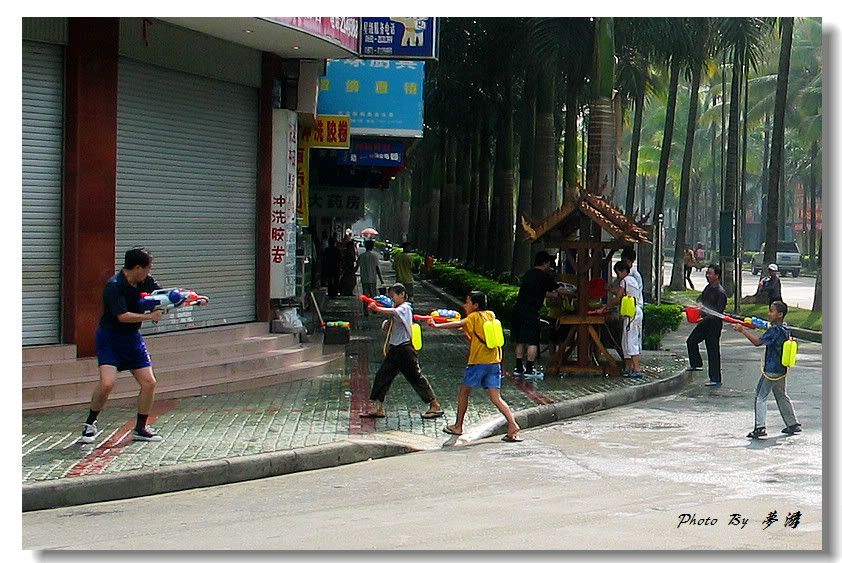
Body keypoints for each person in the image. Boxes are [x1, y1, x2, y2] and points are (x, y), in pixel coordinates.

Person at [80, 247, 165, 443]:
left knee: (149, 382)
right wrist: (150, 316)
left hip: (132, 338)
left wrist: (191, 298)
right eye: (147, 268)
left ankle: (141, 428)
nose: (149, 273)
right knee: (107, 383)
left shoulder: (145, 281)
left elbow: (162, 295)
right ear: (137, 267)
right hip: (110, 338)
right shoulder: (114, 286)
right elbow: (122, 316)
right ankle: (90, 424)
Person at [426, 291, 522, 442]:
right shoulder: (490, 314)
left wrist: (436, 325)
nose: (465, 305)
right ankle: (512, 424)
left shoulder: (473, 317)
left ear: (475, 305)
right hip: (494, 362)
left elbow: (458, 323)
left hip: (478, 363)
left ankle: (458, 426)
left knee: (464, 392)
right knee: (496, 398)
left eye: (468, 302)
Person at [361, 283, 444, 420]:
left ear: (402, 295)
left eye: (394, 296)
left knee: (416, 377)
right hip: (395, 349)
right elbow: (388, 327)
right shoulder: (395, 309)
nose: (392, 299)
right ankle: (378, 407)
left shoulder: (405, 308)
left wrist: (378, 309)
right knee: (383, 376)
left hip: (405, 349)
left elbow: (394, 312)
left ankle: (435, 405)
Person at [734, 301, 801, 438]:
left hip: (771, 370)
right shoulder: (784, 328)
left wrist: (743, 331)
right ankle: (792, 424)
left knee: (760, 396)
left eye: (772, 311)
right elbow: (767, 326)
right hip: (782, 369)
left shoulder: (773, 331)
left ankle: (760, 427)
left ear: (780, 314)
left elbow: (757, 342)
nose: (769, 313)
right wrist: (754, 323)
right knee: (781, 395)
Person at [512, 251, 560, 377]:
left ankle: (518, 368)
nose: (550, 265)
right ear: (545, 263)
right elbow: (559, 290)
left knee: (520, 340)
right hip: (531, 312)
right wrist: (575, 293)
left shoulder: (528, 274)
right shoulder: (544, 276)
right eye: (549, 262)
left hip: (518, 310)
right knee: (532, 341)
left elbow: (537, 292)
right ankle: (529, 369)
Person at [686, 264, 728, 387]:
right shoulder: (708, 288)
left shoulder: (720, 292)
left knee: (712, 350)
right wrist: (697, 306)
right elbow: (700, 299)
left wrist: (703, 318)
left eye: (710, 273)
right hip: (704, 322)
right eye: (707, 273)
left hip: (713, 325)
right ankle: (696, 363)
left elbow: (718, 313)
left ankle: (715, 378)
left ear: (717, 275)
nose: (707, 275)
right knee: (691, 341)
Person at [610, 261, 644, 378]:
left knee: (630, 341)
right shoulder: (633, 280)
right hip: (634, 311)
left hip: (632, 312)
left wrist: (606, 306)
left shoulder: (625, 281)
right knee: (626, 341)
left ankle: (637, 369)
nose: (618, 275)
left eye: (618, 272)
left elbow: (618, 298)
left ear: (623, 271)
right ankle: (628, 368)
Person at [358, 239, 385, 317]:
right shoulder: (374, 256)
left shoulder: (362, 256)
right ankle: (374, 309)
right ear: (372, 247)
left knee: (365, 296)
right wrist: (381, 279)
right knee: (373, 295)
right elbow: (377, 269)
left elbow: (357, 265)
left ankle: (365, 311)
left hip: (364, 278)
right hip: (372, 278)